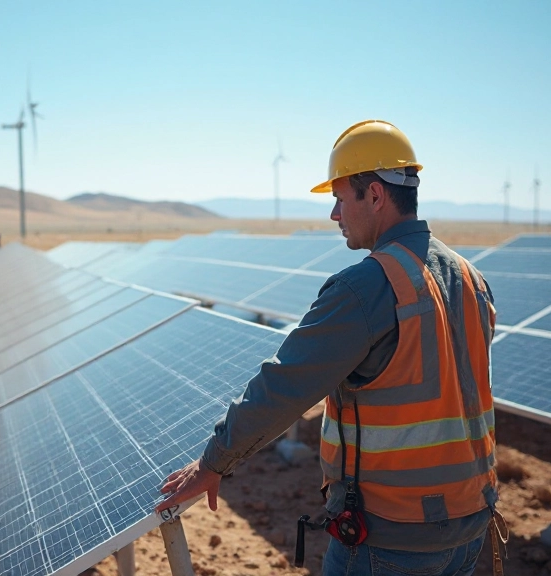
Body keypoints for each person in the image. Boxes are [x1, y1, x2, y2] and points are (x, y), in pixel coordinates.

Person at [157, 120, 502, 575]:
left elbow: (285, 385)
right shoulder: (469, 277)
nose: (334, 215)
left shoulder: (367, 287)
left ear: (375, 195)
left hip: (392, 537)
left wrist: (214, 462)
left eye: (340, 199)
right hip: (470, 522)